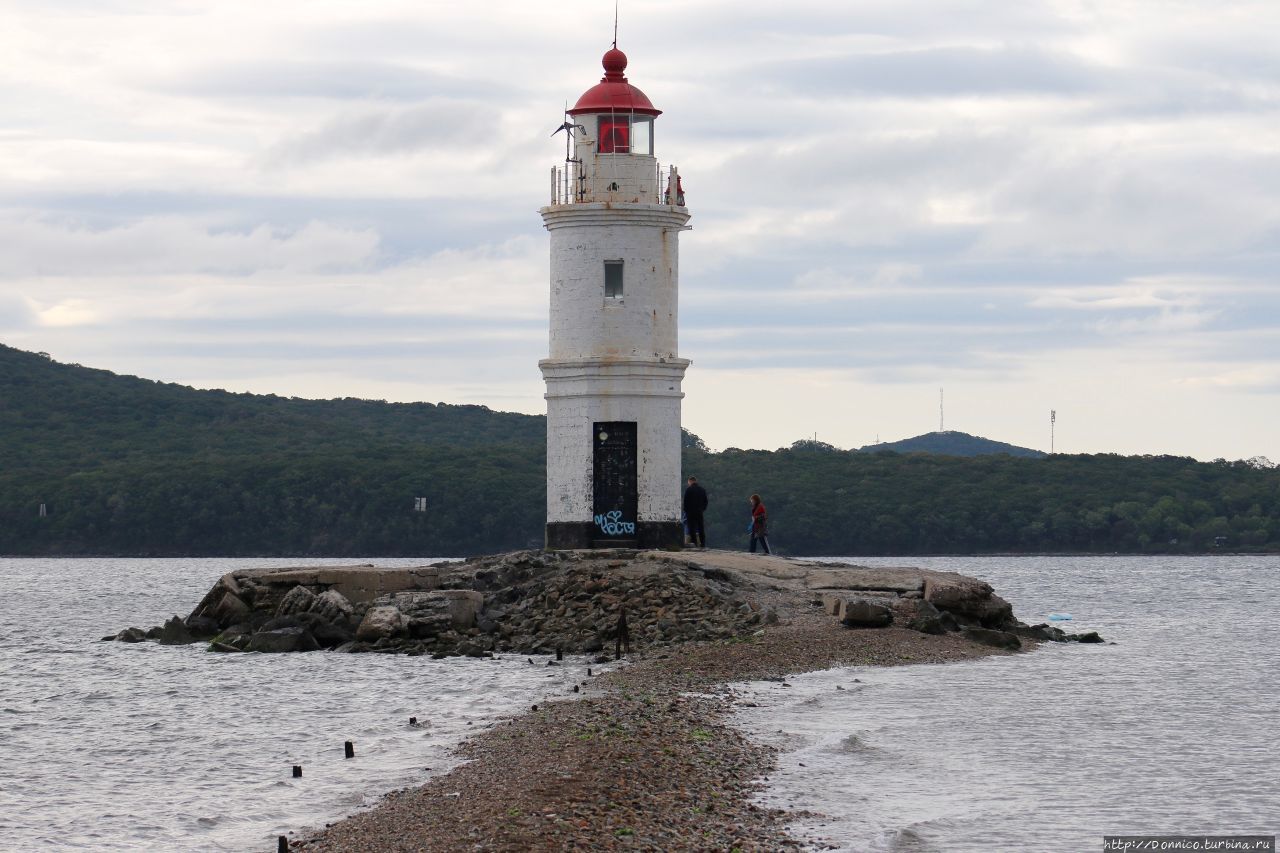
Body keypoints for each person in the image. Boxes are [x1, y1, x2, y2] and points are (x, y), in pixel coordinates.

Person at [682, 476, 708, 548]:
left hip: (690, 512)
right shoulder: (702, 490)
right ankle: (702, 544)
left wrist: (686, 511)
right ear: (696, 481)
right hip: (699, 512)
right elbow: (705, 501)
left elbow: (685, 502)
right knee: (701, 528)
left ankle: (695, 543)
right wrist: (702, 509)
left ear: (690, 481)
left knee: (691, 528)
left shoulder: (688, 490)